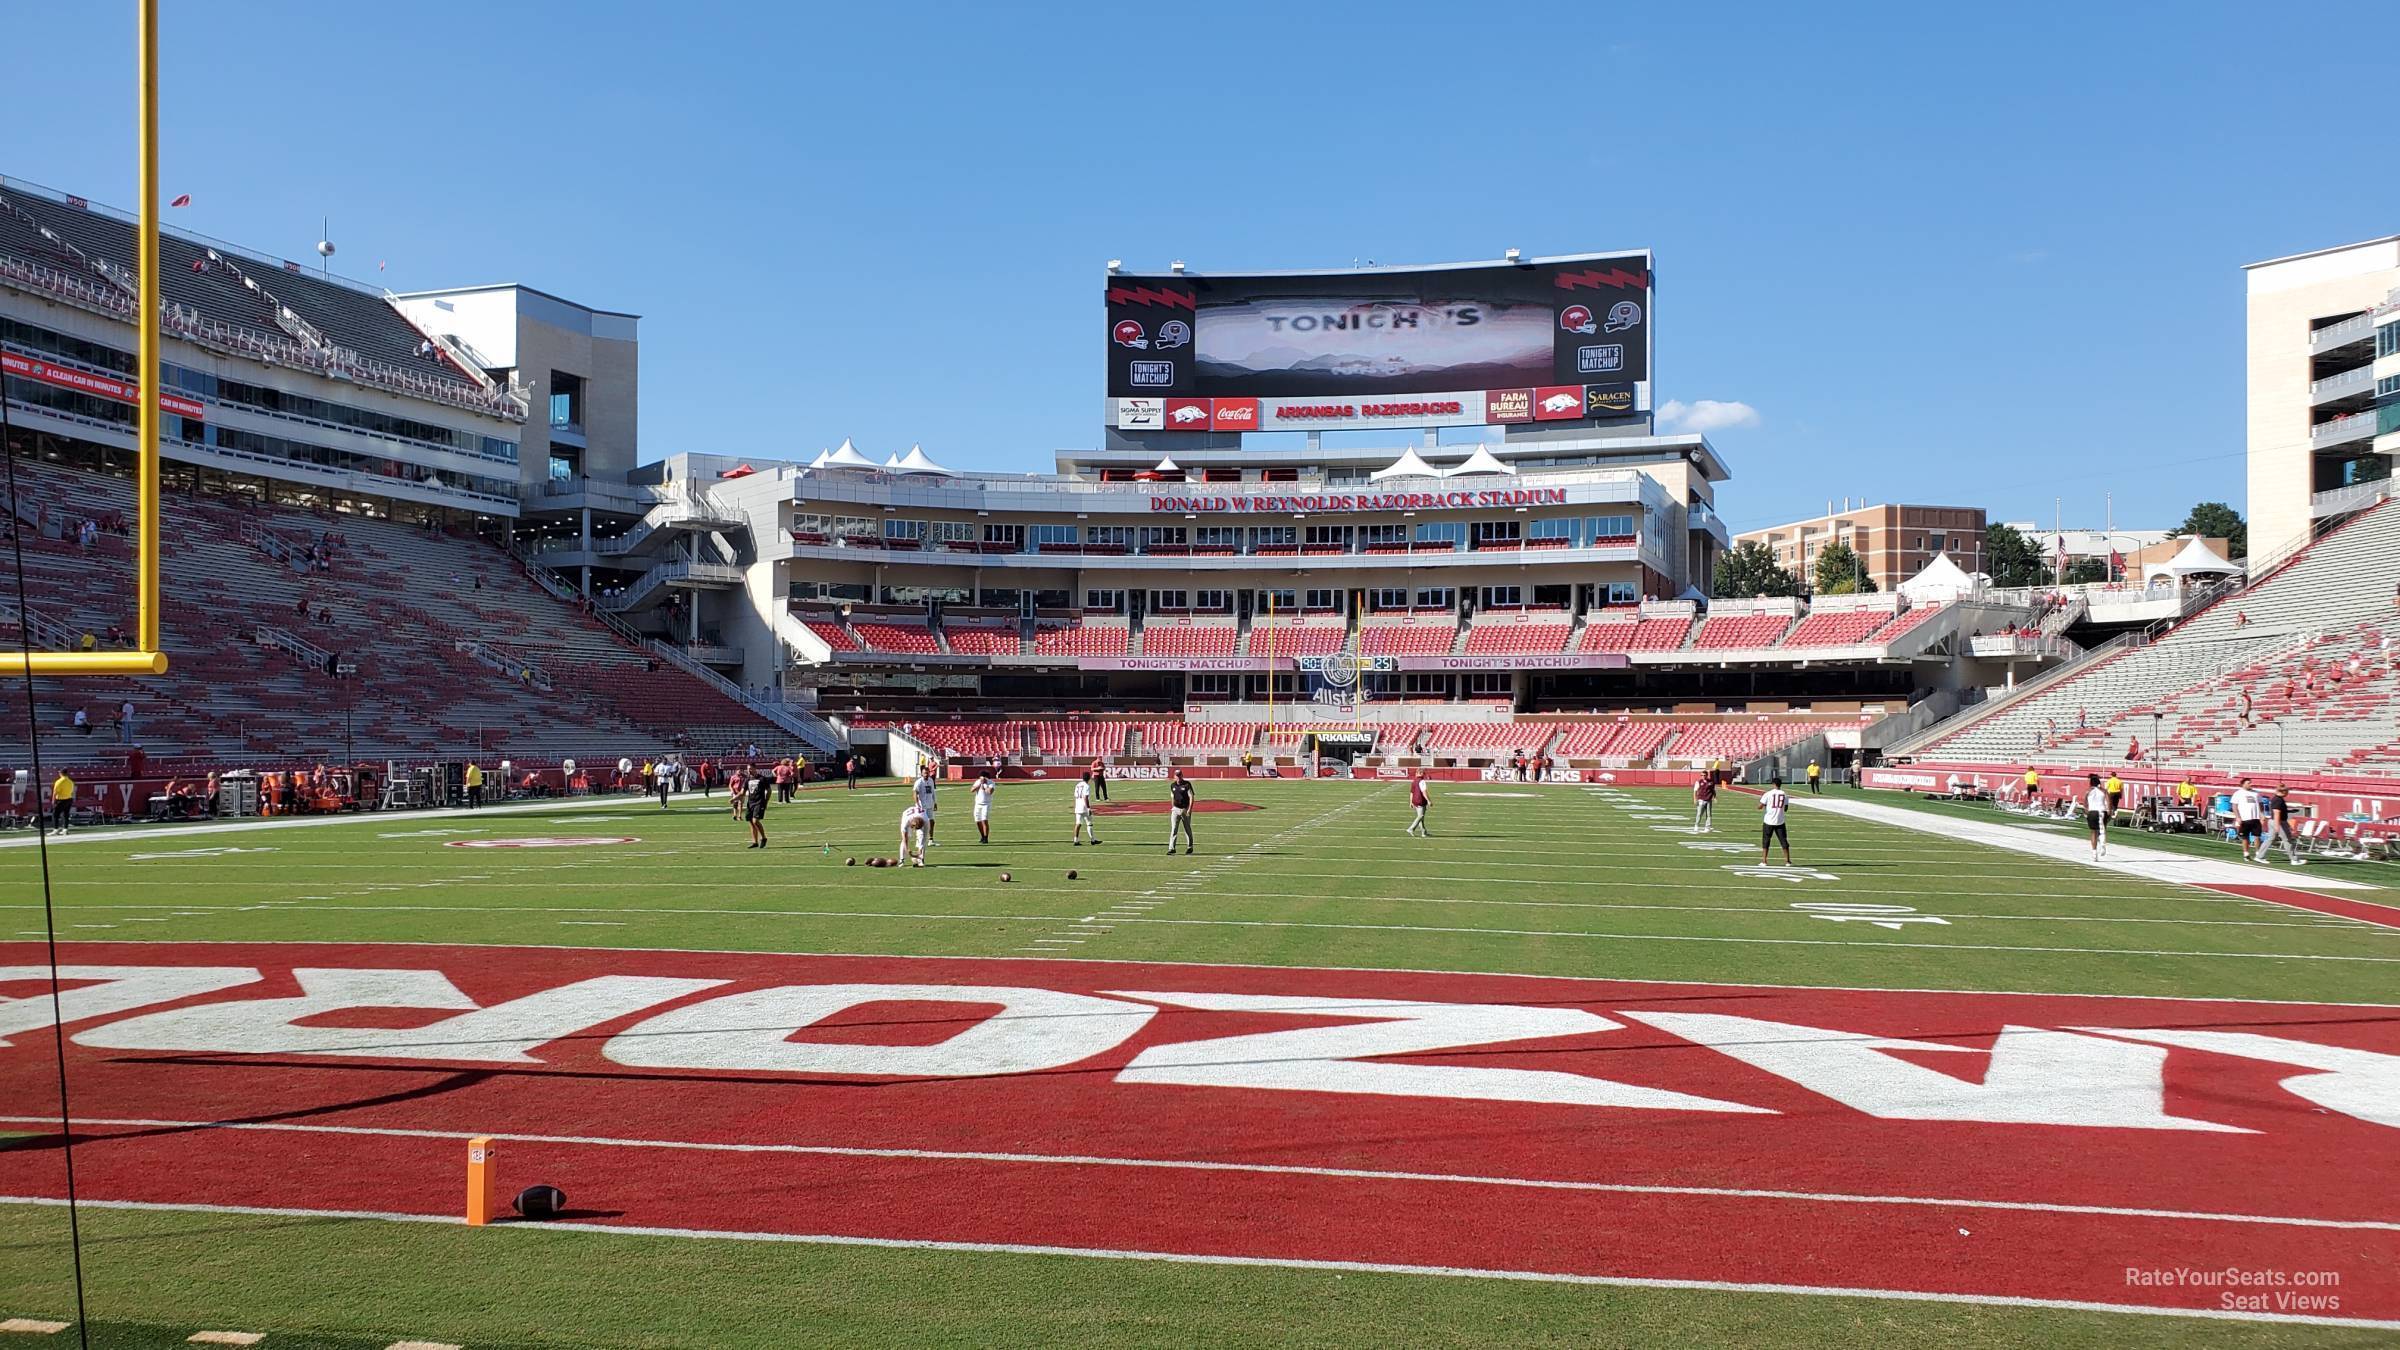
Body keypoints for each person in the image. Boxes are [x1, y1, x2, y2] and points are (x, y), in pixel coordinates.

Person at [2264, 786, 2305, 868]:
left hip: (2273, 821)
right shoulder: (2278, 800)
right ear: (2283, 792)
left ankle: (2260, 856)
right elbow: (2276, 813)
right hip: (2279, 822)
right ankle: (2294, 859)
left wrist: (2289, 811)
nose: (2288, 793)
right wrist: (2277, 825)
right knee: (2287, 840)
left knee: (2270, 839)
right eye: (2287, 791)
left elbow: (2279, 811)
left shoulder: (2276, 799)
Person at [1757, 776, 1792, 866]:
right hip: (1780, 820)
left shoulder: (1768, 794)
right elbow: (1786, 808)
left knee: (1766, 841)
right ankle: (1787, 861)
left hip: (1769, 820)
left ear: (1773, 784)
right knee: (1784, 841)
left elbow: (1760, 806)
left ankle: (1764, 861)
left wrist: (1765, 806)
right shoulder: (1784, 794)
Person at [2229, 778, 2264, 861]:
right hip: (2245, 819)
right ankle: (2246, 854)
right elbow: (2234, 806)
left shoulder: (2256, 793)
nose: (2251, 784)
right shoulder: (2238, 793)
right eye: (2248, 783)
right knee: (2245, 837)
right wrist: (2238, 817)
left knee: (2257, 836)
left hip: (2255, 818)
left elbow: (2260, 804)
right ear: (2243, 784)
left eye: (2251, 783)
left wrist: (2262, 814)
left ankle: (2258, 854)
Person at [1166, 769, 1197, 854]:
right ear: (1174, 776)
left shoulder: (1187, 784)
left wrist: (1190, 809)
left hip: (1185, 809)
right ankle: (1172, 848)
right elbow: (1172, 797)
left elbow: (1191, 797)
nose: (1178, 777)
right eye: (1177, 775)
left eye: (1179, 775)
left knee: (1187, 829)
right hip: (1176, 809)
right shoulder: (1172, 785)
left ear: (1182, 775)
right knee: (1174, 829)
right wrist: (1172, 807)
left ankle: (1190, 847)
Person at [2083, 773, 2110, 862]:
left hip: (2092, 812)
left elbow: (2085, 804)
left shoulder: (2088, 791)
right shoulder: (2104, 791)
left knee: (2093, 832)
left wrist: (2087, 813)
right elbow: (2108, 802)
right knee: (2102, 830)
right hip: (2102, 811)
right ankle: (2102, 845)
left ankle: (2094, 854)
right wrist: (2109, 812)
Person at [744, 767, 772, 849]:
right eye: (748, 769)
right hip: (750, 803)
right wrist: (735, 798)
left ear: (755, 769)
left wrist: (766, 801)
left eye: (750, 769)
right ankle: (755, 842)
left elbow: (769, 790)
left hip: (759, 802)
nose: (749, 770)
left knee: (755, 821)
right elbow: (742, 792)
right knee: (751, 823)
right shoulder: (747, 779)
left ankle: (763, 838)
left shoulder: (762, 779)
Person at [1072, 770, 1100, 845]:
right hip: (1084, 807)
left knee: (1078, 823)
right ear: (1089, 778)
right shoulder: (1086, 786)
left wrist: (1075, 806)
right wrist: (1088, 808)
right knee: (1089, 823)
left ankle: (1075, 840)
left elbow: (1075, 796)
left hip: (1078, 806)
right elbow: (1085, 797)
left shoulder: (1077, 785)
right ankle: (1093, 840)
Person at [899, 801, 930, 867]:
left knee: (921, 838)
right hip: (908, 815)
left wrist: (919, 851)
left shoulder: (926, 820)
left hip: (919, 816)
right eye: (914, 827)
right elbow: (905, 838)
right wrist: (907, 849)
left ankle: (921, 859)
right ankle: (902, 860)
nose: (914, 829)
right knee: (906, 838)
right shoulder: (905, 821)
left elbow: (925, 838)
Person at [971, 773, 996, 843]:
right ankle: (982, 836)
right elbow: (972, 790)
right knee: (977, 821)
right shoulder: (978, 782)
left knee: (984, 820)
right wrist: (979, 785)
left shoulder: (991, 783)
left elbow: (990, 792)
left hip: (986, 804)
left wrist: (984, 786)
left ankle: (986, 837)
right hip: (977, 804)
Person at [1406, 770, 1430, 837]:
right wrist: (1428, 800)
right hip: (1420, 801)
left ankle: (1423, 832)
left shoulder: (1414, 781)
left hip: (1415, 800)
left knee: (1421, 817)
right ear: (1421, 773)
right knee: (1421, 816)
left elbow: (1411, 792)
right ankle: (1411, 828)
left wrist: (1411, 802)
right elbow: (1424, 792)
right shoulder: (1422, 781)